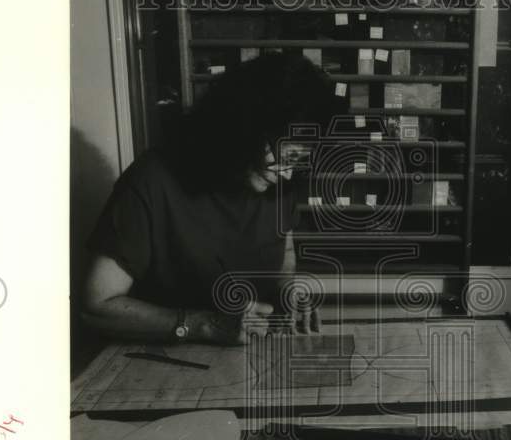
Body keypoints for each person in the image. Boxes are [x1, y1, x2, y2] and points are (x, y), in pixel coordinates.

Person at [82, 53, 337, 346]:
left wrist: (289, 292)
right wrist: (203, 324)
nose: (289, 174)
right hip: (162, 365)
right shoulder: (153, 179)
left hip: (248, 359)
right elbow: (96, 306)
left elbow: (284, 259)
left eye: (298, 160)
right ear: (244, 130)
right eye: (284, 156)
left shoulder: (276, 184)